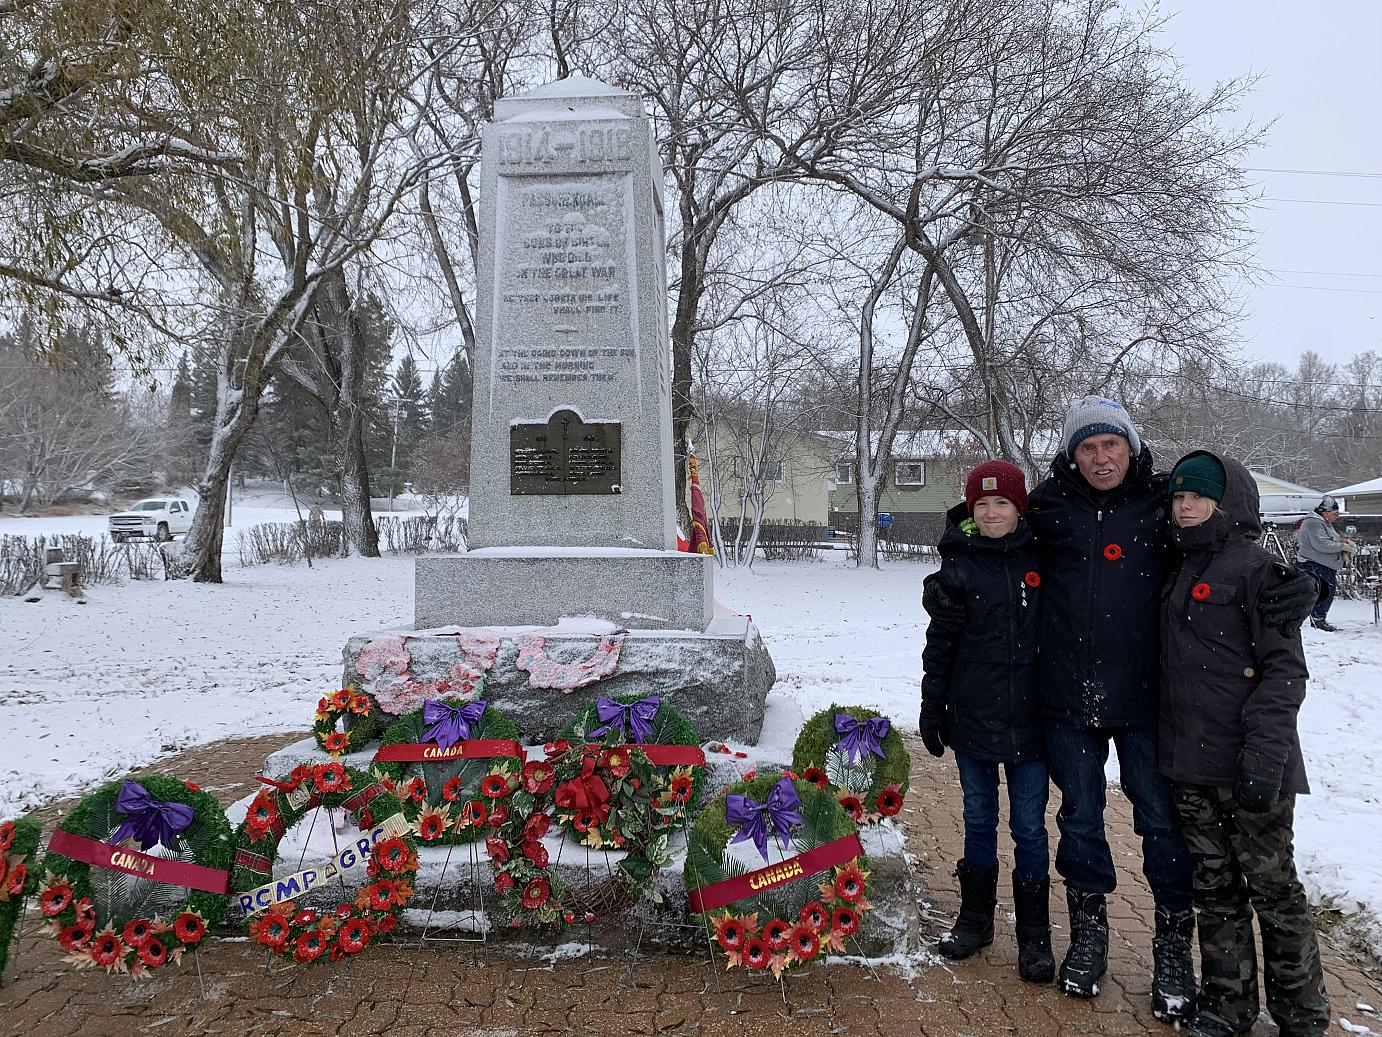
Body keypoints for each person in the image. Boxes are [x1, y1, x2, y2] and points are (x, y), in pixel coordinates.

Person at [924, 397, 1322, 1024]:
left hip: (1147, 701)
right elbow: (992, 536)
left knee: (1160, 825)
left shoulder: (1160, 506)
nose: (1100, 457)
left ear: (1130, 448)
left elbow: (1222, 542)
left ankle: (1170, 948)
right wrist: (950, 561)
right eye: (1087, 447)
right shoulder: (1051, 509)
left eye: (1111, 444)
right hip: (1066, 700)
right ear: (1071, 455)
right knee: (1080, 819)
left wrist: (1305, 583)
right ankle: (1089, 936)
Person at [1161, 450, 1329, 1037]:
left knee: (1274, 891)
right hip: (1190, 765)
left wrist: (1264, 758)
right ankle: (1227, 1006)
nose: (1185, 506)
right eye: (1179, 496)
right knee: (1216, 891)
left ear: (1227, 503)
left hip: (1253, 765)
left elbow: (1284, 674)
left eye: (1197, 497)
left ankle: (1302, 1016)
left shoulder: (1260, 572)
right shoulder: (1178, 565)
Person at [919, 460, 1053, 982]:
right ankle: (974, 919)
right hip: (974, 717)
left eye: (1003, 503)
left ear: (1019, 508)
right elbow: (940, 647)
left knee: (1029, 827)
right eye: (983, 504)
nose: (993, 512)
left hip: (1033, 721)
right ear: (971, 511)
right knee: (978, 819)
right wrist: (933, 704)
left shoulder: (1045, 558)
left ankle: (1035, 936)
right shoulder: (958, 567)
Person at [1295, 496, 1349, 632]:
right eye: (1335, 514)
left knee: (1325, 592)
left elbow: (1330, 540)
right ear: (1326, 512)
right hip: (1315, 563)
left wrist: (1342, 543)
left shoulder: (1323, 523)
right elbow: (1322, 544)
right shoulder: (1314, 523)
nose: (1337, 517)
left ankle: (1319, 618)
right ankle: (1318, 620)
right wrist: (1342, 546)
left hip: (1323, 564)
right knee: (1324, 592)